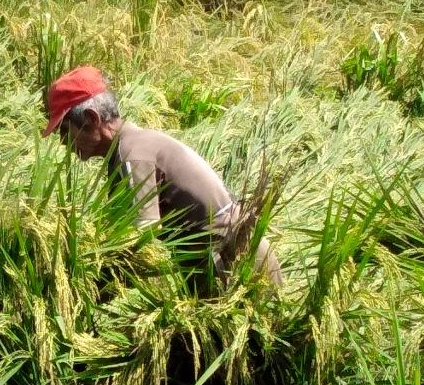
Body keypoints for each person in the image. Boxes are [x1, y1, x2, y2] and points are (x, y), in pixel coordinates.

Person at [42, 66, 282, 291]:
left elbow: (138, 238)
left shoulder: (131, 157)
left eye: (64, 130)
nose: (63, 142)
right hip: (229, 260)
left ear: (92, 119)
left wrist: (88, 288)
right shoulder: (134, 145)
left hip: (235, 268)